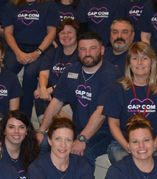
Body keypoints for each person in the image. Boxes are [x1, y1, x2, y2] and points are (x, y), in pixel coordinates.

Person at [40, 30, 119, 166]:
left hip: (105, 132)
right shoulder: (71, 71)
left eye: (92, 49)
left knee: (84, 152)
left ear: (102, 50)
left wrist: (82, 139)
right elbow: (56, 102)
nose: (87, 54)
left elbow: (101, 113)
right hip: (77, 128)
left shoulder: (111, 74)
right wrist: (41, 131)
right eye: (83, 49)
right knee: (43, 143)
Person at [103, 42, 157, 163]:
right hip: (124, 143)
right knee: (127, 164)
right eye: (135, 58)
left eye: (144, 58)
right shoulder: (118, 88)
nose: (139, 63)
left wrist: (154, 145)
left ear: (152, 63)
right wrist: (128, 146)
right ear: (129, 64)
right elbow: (113, 124)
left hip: (154, 142)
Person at [1, 0, 56, 80]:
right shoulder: (12, 4)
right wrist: (18, 52)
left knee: (30, 74)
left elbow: (52, 32)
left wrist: (37, 52)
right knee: (8, 69)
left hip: (41, 49)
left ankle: (29, 98)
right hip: (17, 47)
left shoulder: (49, 4)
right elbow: (8, 32)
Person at [33, 19, 80, 122]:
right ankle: (46, 130)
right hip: (52, 94)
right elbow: (44, 74)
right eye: (62, 32)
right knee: (40, 97)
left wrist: (49, 89)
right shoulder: (52, 53)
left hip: (71, 94)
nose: (66, 35)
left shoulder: (81, 55)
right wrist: (43, 88)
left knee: (57, 114)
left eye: (70, 32)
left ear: (77, 35)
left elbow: (73, 80)